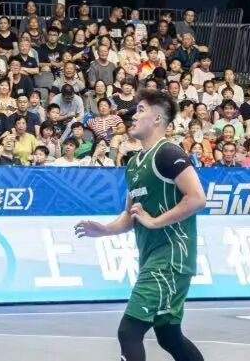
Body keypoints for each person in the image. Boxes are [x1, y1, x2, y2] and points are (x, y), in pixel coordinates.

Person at [75, 90, 206, 361]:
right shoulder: (134, 163)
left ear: (157, 119)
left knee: (129, 332)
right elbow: (130, 215)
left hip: (171, 257)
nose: (133, 116)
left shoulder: (168, 153)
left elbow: (196, 198)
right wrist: (105, 229)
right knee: (169, 335)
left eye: (141, 110)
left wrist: (155, 221)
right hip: (153, 258)